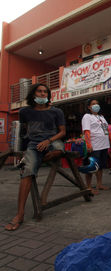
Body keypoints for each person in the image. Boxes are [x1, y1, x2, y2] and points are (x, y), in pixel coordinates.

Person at [5, 83, 66, 231]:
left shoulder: (56, 111)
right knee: (27, 173)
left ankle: (38, 160)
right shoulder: (24, 111)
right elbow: (24, 131)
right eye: (39, 91)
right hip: (34, 144)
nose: (43, 94)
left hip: (53, 141)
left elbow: (62, 132)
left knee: (59, 150)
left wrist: (48, 141)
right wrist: (25, 149)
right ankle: (20, 215)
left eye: (45, 92)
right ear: (33, 94)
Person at [82, 99, 111, 194]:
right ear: (89, 107)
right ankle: (89, 187)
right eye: (93, 104)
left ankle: (99, 184)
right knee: (91, 166)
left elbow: (106, 129)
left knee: (101, 166)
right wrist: (88, 144)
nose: (96, 105)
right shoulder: (87, 116)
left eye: (97, 104)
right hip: (94, 146)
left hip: (104, 145)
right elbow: (86, 131)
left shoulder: (101, 117)